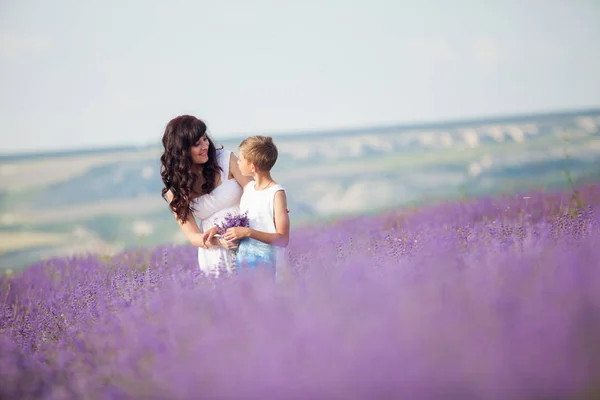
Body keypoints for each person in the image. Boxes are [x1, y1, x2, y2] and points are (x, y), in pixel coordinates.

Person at [159, 115, 253, 277]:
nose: (205, 146)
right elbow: (193, 236)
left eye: (205, 139)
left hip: (250, 235)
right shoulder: (175, 191)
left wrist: (272, 203)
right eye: (197, 144)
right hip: (216, 254)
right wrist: (220, 242)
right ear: (181, 151)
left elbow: (253, 189)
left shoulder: (225, 159)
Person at [220, 135, 290, 278]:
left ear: (253, 167)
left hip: (269, 266)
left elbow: (283, 240)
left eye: (241, 159)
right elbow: (245, 220)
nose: (237, 163)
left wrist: (248, 232)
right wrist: (218, 229)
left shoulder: (276, 193)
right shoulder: (249, 189)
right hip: (243, 263)